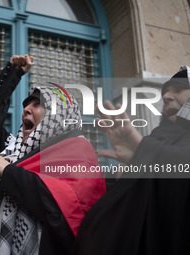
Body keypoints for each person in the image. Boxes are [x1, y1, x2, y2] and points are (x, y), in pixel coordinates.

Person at [0, 55, 106, 255]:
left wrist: (8, 174)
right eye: (27, 105)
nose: (26, 109)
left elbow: (65, 211)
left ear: (56, 114)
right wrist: (12, 73)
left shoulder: (78, 151)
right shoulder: (14, 151)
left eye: (37, 104)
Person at [73, 66, 190, 255]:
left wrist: (144, 153)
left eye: (178, 89)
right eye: (165, 91)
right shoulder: (157, 139)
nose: (167, 96)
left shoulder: (152, 147)